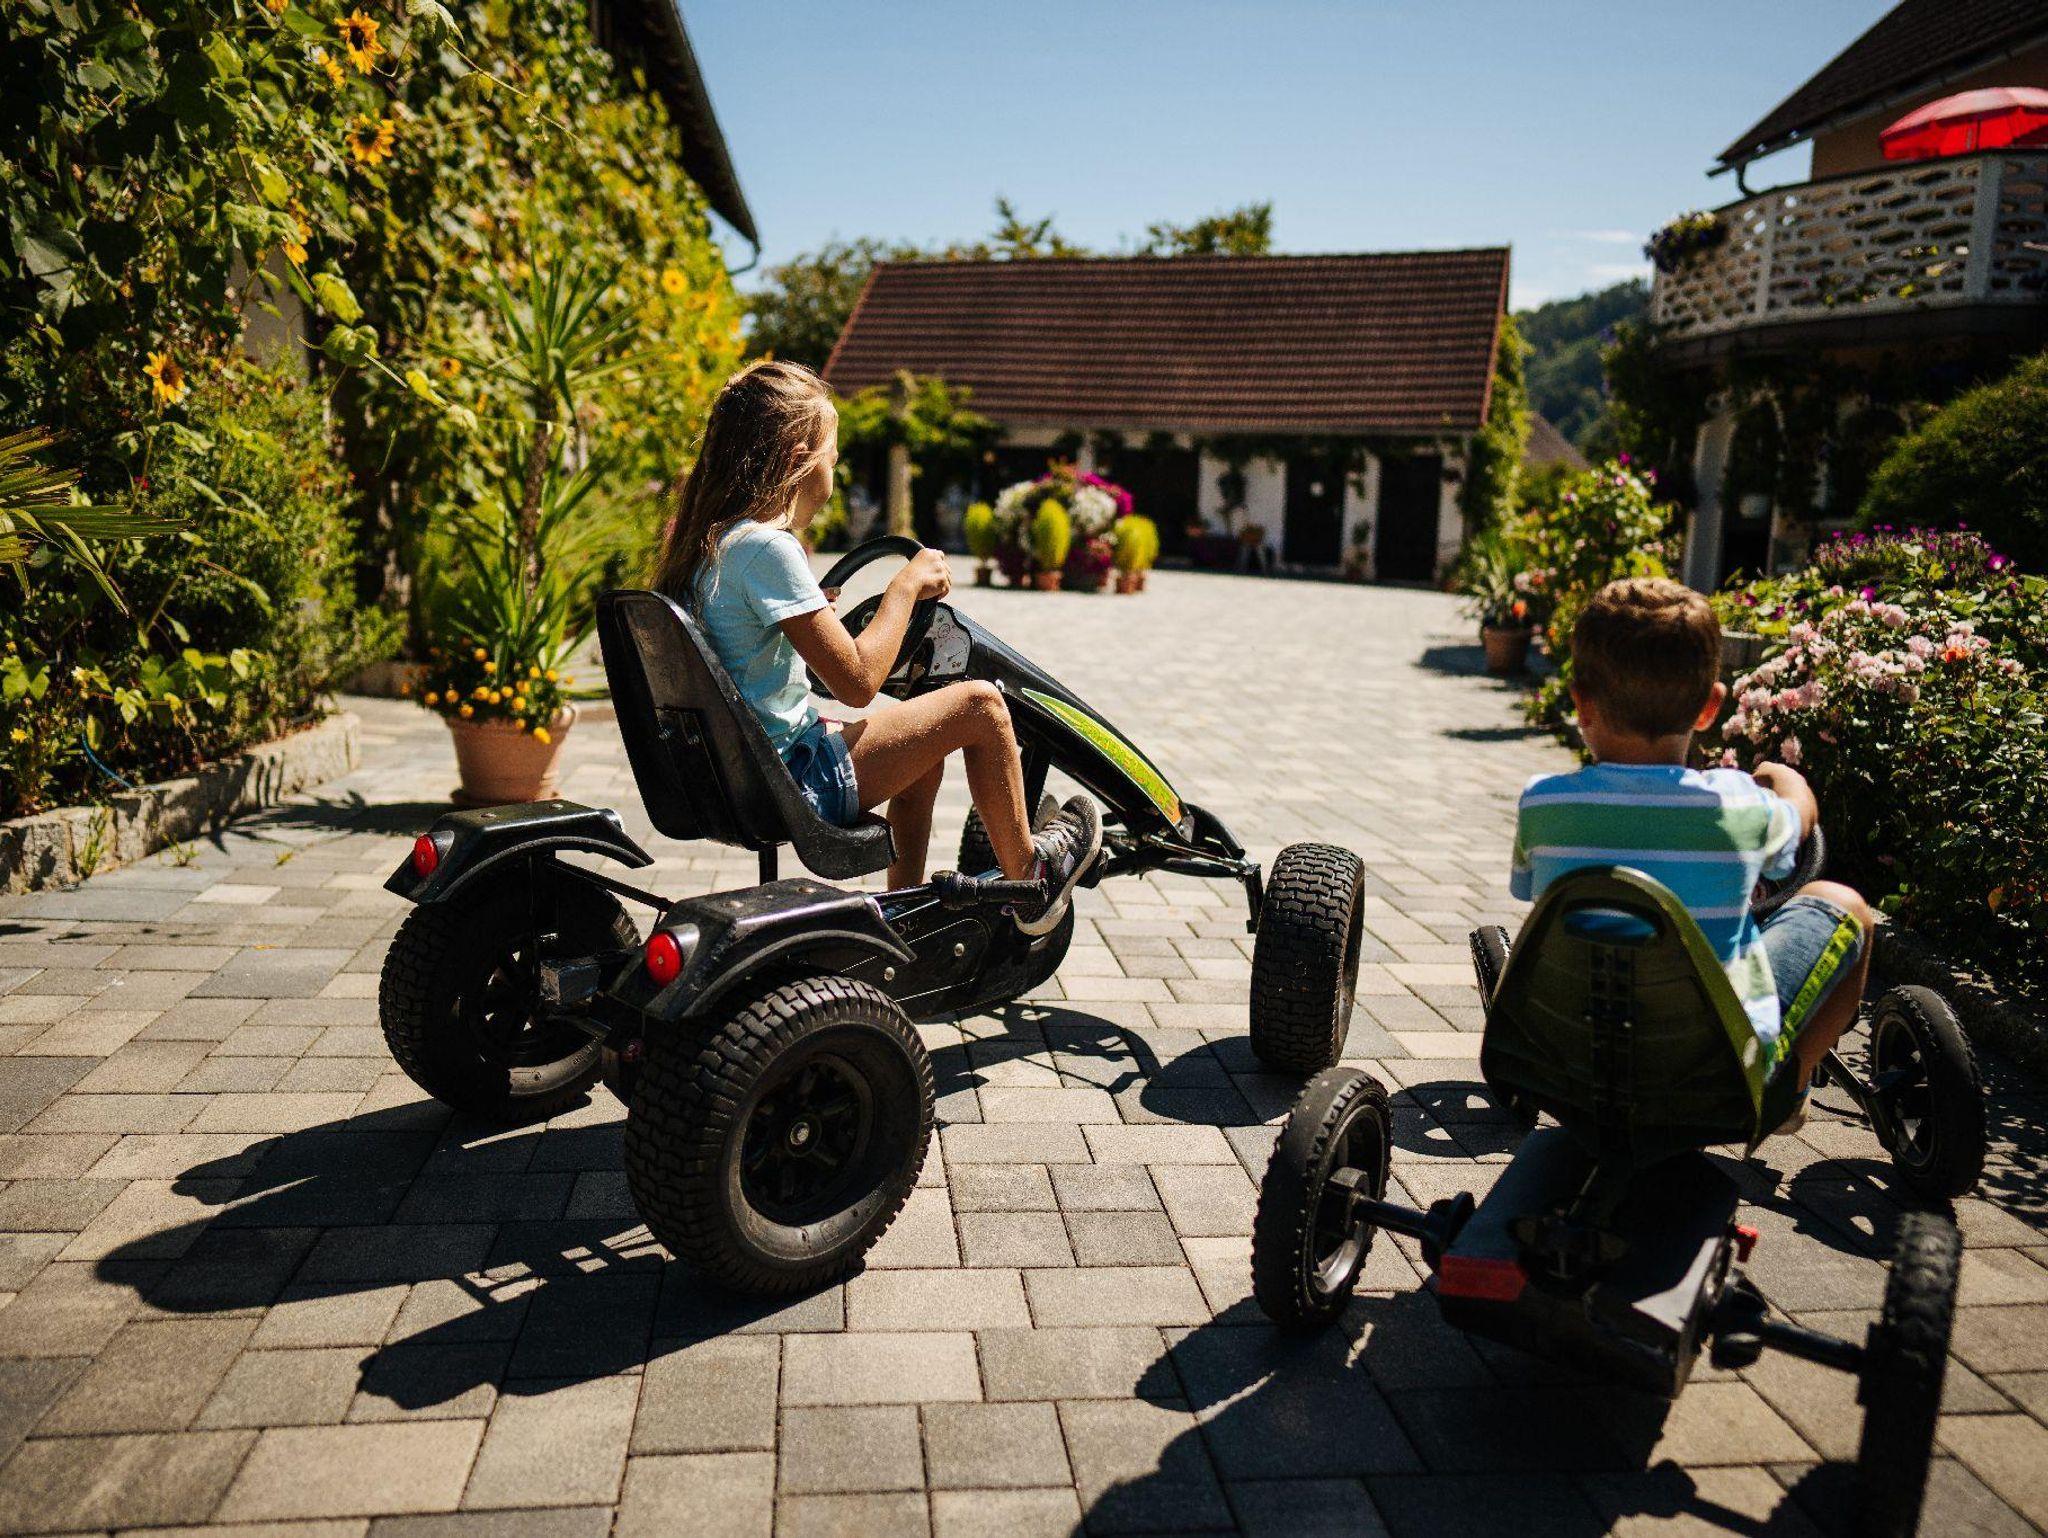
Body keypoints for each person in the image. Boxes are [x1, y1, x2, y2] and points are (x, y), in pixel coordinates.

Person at [651, 360, 1100, 933]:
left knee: (920, 751)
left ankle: (906, 914)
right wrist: (904, 587)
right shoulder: (767, 549)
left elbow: (749, 651)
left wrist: (812, 611)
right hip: (794, 779)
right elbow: (859, 682)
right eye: (833, 456)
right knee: (981, 706)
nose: (835, 469)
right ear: (799, 459)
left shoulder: (710, 546)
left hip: (738, 776)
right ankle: (1033, 880)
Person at [1509, 578, 1872, 1121]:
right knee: (1846, 905)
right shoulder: (1740, 804)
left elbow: (1526, 892)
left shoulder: (1544, 802)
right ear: (1709, 708)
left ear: (1581, 703)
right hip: (1712, 1065)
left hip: (1580, 1056)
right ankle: (1788, 1088)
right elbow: (1800, 823)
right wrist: (1782, 777)